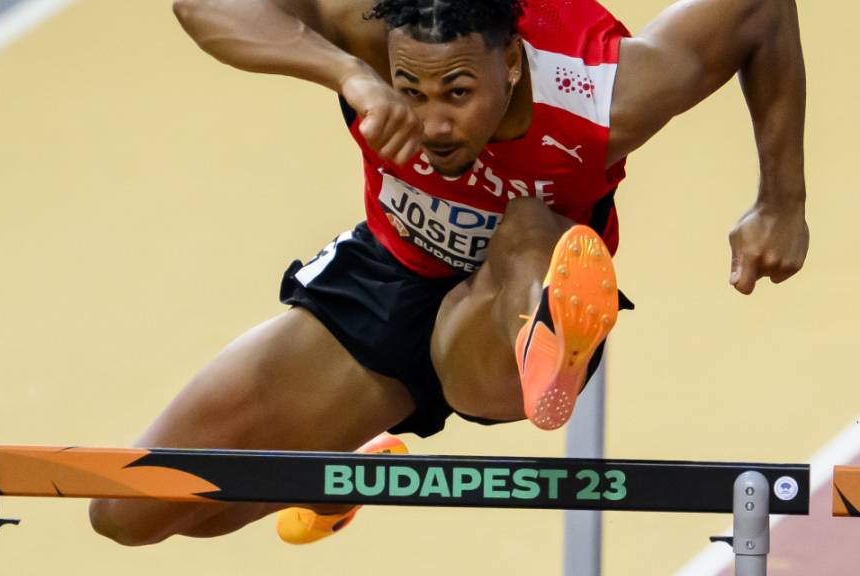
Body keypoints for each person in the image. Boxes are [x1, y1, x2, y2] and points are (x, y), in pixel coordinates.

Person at [88, 0, 809, 545]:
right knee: (135, 510)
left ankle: (551, 334)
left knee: (525, 221)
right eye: (414, 91)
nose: (433, 125)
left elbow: (760, 10)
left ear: (514, 64)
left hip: (498, 320)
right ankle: (344, 466)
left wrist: (781, 200)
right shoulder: (369, 30)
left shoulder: (604, 93)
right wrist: (349, 73)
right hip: (385, 278)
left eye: (458, 94)